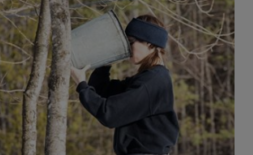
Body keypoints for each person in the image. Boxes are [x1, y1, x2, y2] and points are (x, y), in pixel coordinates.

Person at [70, 15, 179, 155]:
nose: (126, 47)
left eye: (130, 42)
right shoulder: (148, 79)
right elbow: (102, 91)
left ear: (150, 45)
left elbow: (109, 114)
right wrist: (105, 62)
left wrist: (81, 84)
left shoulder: (153, 82)